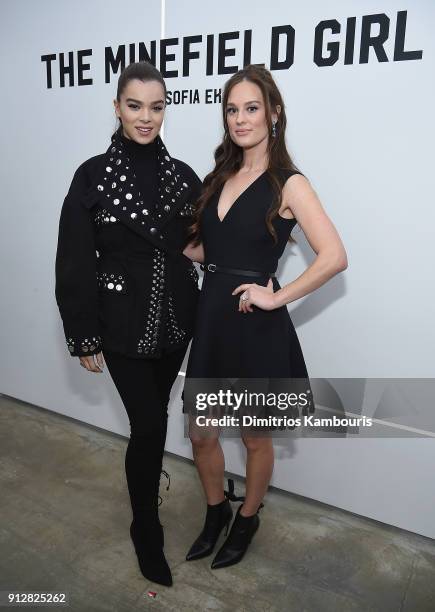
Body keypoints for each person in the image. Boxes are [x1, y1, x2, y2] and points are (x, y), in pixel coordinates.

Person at [182, 64, 348, 569]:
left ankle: (248, 517)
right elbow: (204, 247)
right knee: (201, 432)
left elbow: (334, 255)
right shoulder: (220, 176)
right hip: (213, 319)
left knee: (255, 435)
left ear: (273, 114)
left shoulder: (289, 183)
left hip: (256, 327)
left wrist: (278, 296)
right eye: (232, 110)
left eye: (251, 108)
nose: (240, 119)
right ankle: (216, 512)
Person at [55, 61, 202, 587]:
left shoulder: (184, 175)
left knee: (153, 419)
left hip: (175, 324)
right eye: (135, 105)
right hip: (118, 327)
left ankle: (145, 494)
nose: (146, 117)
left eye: (156, 107)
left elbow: (198, 247)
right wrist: (83, 332)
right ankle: (146, 525)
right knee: (149, 424)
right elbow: (74, 257)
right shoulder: (92, 174)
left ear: (166, 110)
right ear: (117, 107)